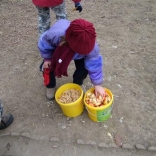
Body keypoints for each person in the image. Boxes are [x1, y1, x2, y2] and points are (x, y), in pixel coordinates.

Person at [38, 18, 106, 100]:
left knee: (83, 69)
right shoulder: (55, 35)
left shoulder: (92, 47)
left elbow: (94, 64)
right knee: (48, 67)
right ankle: (50, 85)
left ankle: (78, 83)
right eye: (79, 50)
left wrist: (97, 84)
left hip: (79, 55)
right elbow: (44, 44)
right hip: (60, 48)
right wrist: (47, 58)